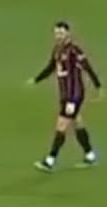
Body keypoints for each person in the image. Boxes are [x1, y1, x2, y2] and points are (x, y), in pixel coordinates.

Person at [30, 22, 102, 172]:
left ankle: (50, 160)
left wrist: (98, 86)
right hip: (65, 95)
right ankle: (90, 155)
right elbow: (51, 67)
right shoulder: (57, 50)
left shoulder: (74, 51)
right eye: (56, 33)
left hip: (73, 96)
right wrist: (36, 80)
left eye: (61, 33)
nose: (58, 36)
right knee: (78, 123)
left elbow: (87, 67)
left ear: (68, 33)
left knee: (61, 126)